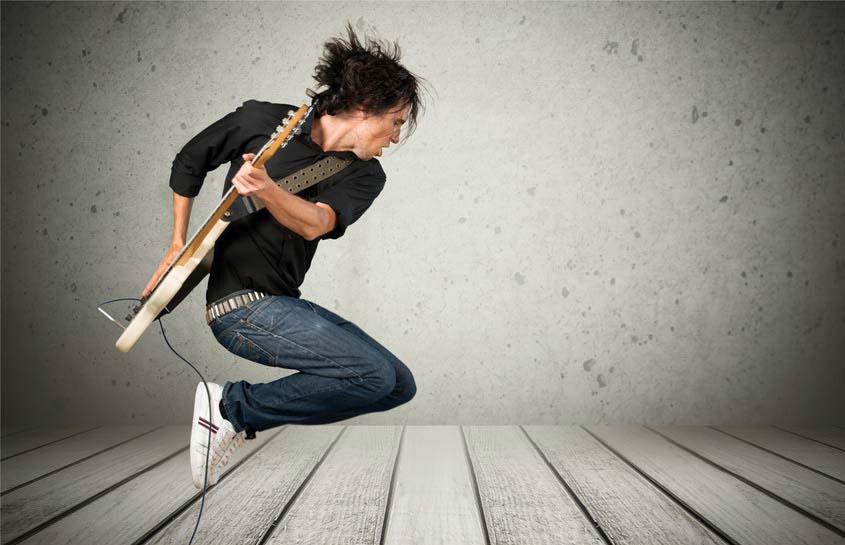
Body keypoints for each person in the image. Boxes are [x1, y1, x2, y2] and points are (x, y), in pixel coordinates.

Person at [142, 23, 426, 488]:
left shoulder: (365, 176)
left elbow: (317, 221)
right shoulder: (264, 122)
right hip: (240, 309)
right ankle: (232, 409)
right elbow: (190, 160)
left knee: (397, 383)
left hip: (281, 304)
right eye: (396, 122)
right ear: (365, 108)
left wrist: (268, 191)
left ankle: (236, 411)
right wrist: (177, 244)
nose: (395, 137)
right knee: (373, 378)